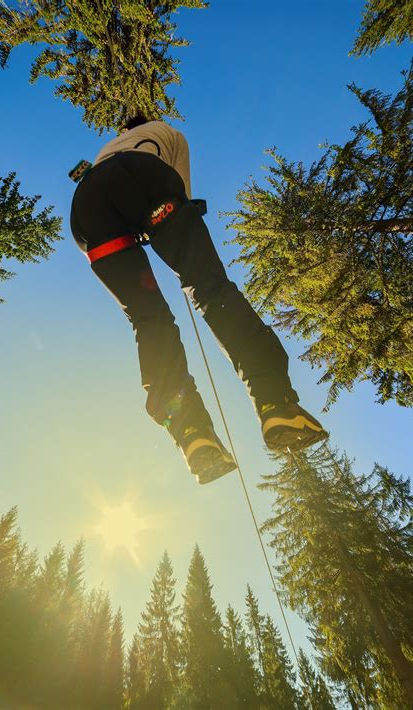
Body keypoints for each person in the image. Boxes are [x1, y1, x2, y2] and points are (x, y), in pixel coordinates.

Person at [69, 116, 328, 485]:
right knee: (208, 289)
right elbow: (180, 199)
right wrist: (165, 224)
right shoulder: (169, 135)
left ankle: (191, 431)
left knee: (147, 318)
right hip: (147, 179)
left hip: (87, 208)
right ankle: (275, 402)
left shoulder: (105, 149)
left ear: (121, 132)